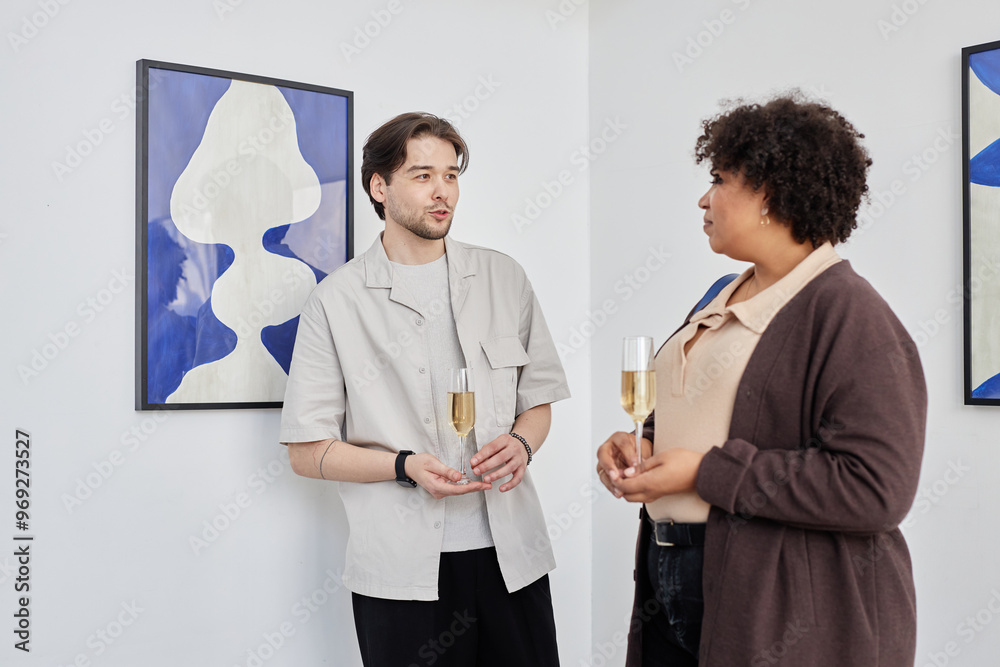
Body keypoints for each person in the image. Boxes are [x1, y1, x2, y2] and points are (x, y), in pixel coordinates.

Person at [596, 94, 927, 667]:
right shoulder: (720, 294)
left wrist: (704, 472)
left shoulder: (850, 313)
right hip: (671, 574)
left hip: (778, 604)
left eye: (719, 180)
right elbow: (703, 413)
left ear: (771, 195)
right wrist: (642, 442)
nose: (704, 199)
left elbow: (877, 488)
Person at [280, 112, 570, 666]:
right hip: (400, 573)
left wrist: (523, 443)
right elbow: (306, 452)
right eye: (422, 176)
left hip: (512, 558)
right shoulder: (335, 301)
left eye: (451, 175)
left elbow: (538, 402)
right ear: (379, 187)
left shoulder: (504, 278)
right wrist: (403, 466)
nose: (443, 192)